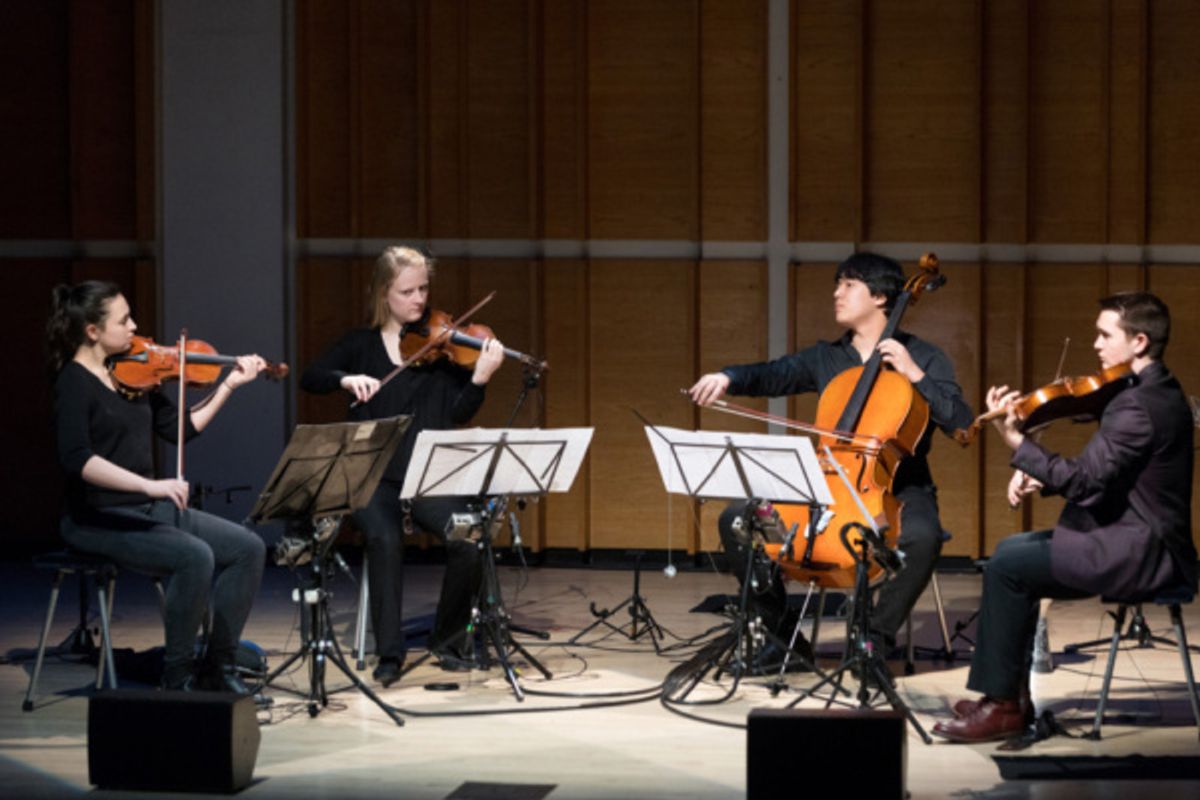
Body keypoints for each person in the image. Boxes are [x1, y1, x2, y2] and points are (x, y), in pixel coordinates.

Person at [688, 251, 973, 667]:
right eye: (838, 284)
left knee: (923, 538)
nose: (837, 293)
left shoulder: (925, 356)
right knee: (737, 520)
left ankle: (871, 641)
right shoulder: (826, 357)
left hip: (901, 486)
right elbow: (774, 373)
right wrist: (727, 376)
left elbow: (960, 422)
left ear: (880, 297)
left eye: (848, 285)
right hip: (827, 483)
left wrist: (914, 373)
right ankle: (781, 639)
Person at [934, 291, 1196, 743]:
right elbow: (1106, 473)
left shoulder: (1138, 404)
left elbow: (1087, 482)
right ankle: (1010, 697)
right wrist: (1038, 472)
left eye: (1105, 335)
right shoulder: (1153, 389)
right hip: (1135, 535)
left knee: (1008, 566)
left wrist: (1019, 444)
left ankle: (1002, 706)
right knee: (1011, 553)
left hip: (1138, 551)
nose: (1096, 344)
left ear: (1139, 342)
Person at [300, 246, 505, 686]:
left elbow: (458, 413)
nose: (419, 300)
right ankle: (389, 653)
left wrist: (480, 379)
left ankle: (448, 641)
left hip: (428, 476)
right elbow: (311, 377)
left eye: (423, 289)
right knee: (384, 538)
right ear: (383, 294)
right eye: (407, 291)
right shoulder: (360, 345)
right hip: (375, 478)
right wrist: (344, 378)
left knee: (468, 536)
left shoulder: (441, 347)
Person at [49, 281, 268, 692]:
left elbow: (180, 429)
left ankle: (218, 666)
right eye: (124, 320)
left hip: (145, 509)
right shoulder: (73, 382)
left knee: (248, 548)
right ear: (92, 331)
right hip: (96, 516)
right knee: (195, 557)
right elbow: (78, 459)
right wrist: (151, 487)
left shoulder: (135, 374)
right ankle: (177, 676)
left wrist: (228, 386)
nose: (135, 327)